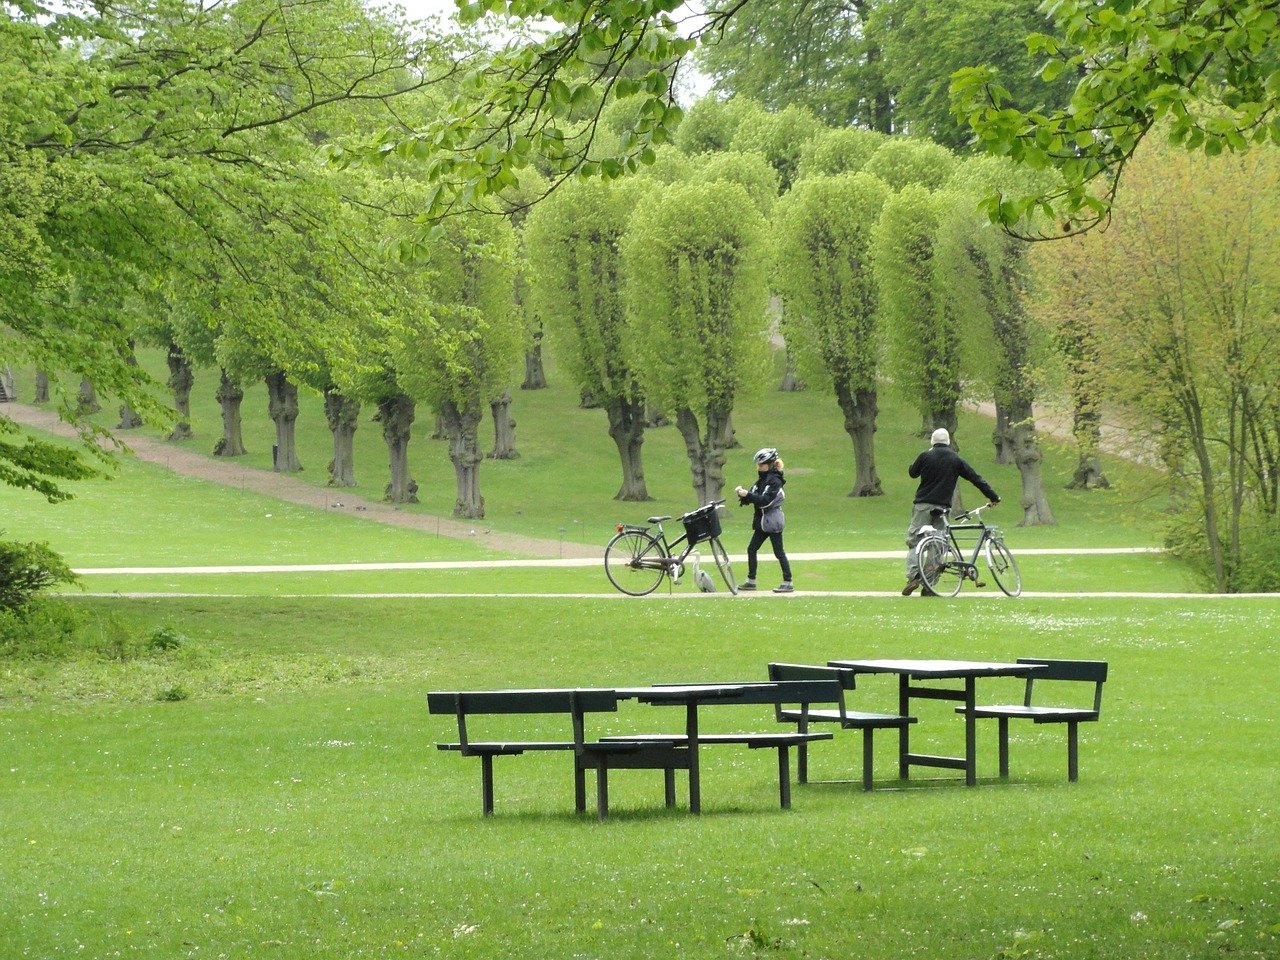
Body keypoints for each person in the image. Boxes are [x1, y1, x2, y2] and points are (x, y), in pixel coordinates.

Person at [902, 428, 1000, 596]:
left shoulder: (925, 456)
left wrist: (915, 465)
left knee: (915, 541)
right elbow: (975, 478)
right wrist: (993, 496)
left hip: (922, 505)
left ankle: (913, 576)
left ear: (933, 442)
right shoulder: (955, 459)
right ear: (948, 442)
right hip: (942, 508)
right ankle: (929, 584)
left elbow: (913, 473)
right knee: (937, 545)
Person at [735, 447, 794, 593]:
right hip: (762, 521)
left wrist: (748, 495)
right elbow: (755, 495)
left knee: (778, 552)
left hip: (772, 521)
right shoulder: (762, 480)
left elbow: (765, 501)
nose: (759, 468)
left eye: (762, 465)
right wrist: (744, 496)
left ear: (770, 464)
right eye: (758, 465)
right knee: (751, 549)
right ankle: (751, 581)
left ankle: (788, 582)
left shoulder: (774, 481)